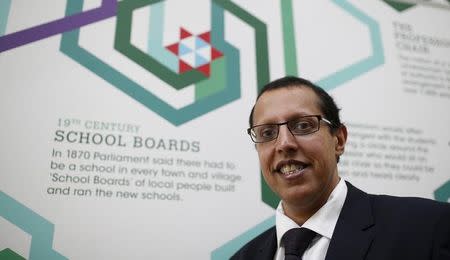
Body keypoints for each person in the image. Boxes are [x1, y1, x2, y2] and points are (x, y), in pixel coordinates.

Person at [231, 76, 450, 260]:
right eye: (267, 133)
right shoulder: (242, 257)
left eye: (303, 125)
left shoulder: (428, 228)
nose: (284, 143)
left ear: (339, 140)